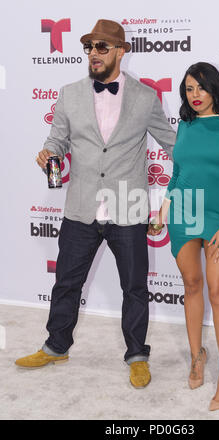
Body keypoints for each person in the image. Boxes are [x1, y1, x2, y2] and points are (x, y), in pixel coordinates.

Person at [15, 19, 176, 389]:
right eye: (89, 47)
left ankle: (137, 354)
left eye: (103, 47)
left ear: (121, 50)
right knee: (66, 284)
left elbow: (172, 144)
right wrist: (48, 153)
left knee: (134, 287)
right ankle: (57, 346)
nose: (94, 54)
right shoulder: (69, 93)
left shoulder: (145, 97)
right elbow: (57, 140)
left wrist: (210, 151)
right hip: (81, 208)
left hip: (128, 208)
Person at [151, 62, 219, 410]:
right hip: (182, 214)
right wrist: (161, 215)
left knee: (218, 291)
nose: (195, 96)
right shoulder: (186, 126)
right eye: (189, 89)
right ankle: (198, 356)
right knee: (191, 285)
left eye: (201, 88)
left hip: (217, 219)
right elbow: (178, 174)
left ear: (215, 88)